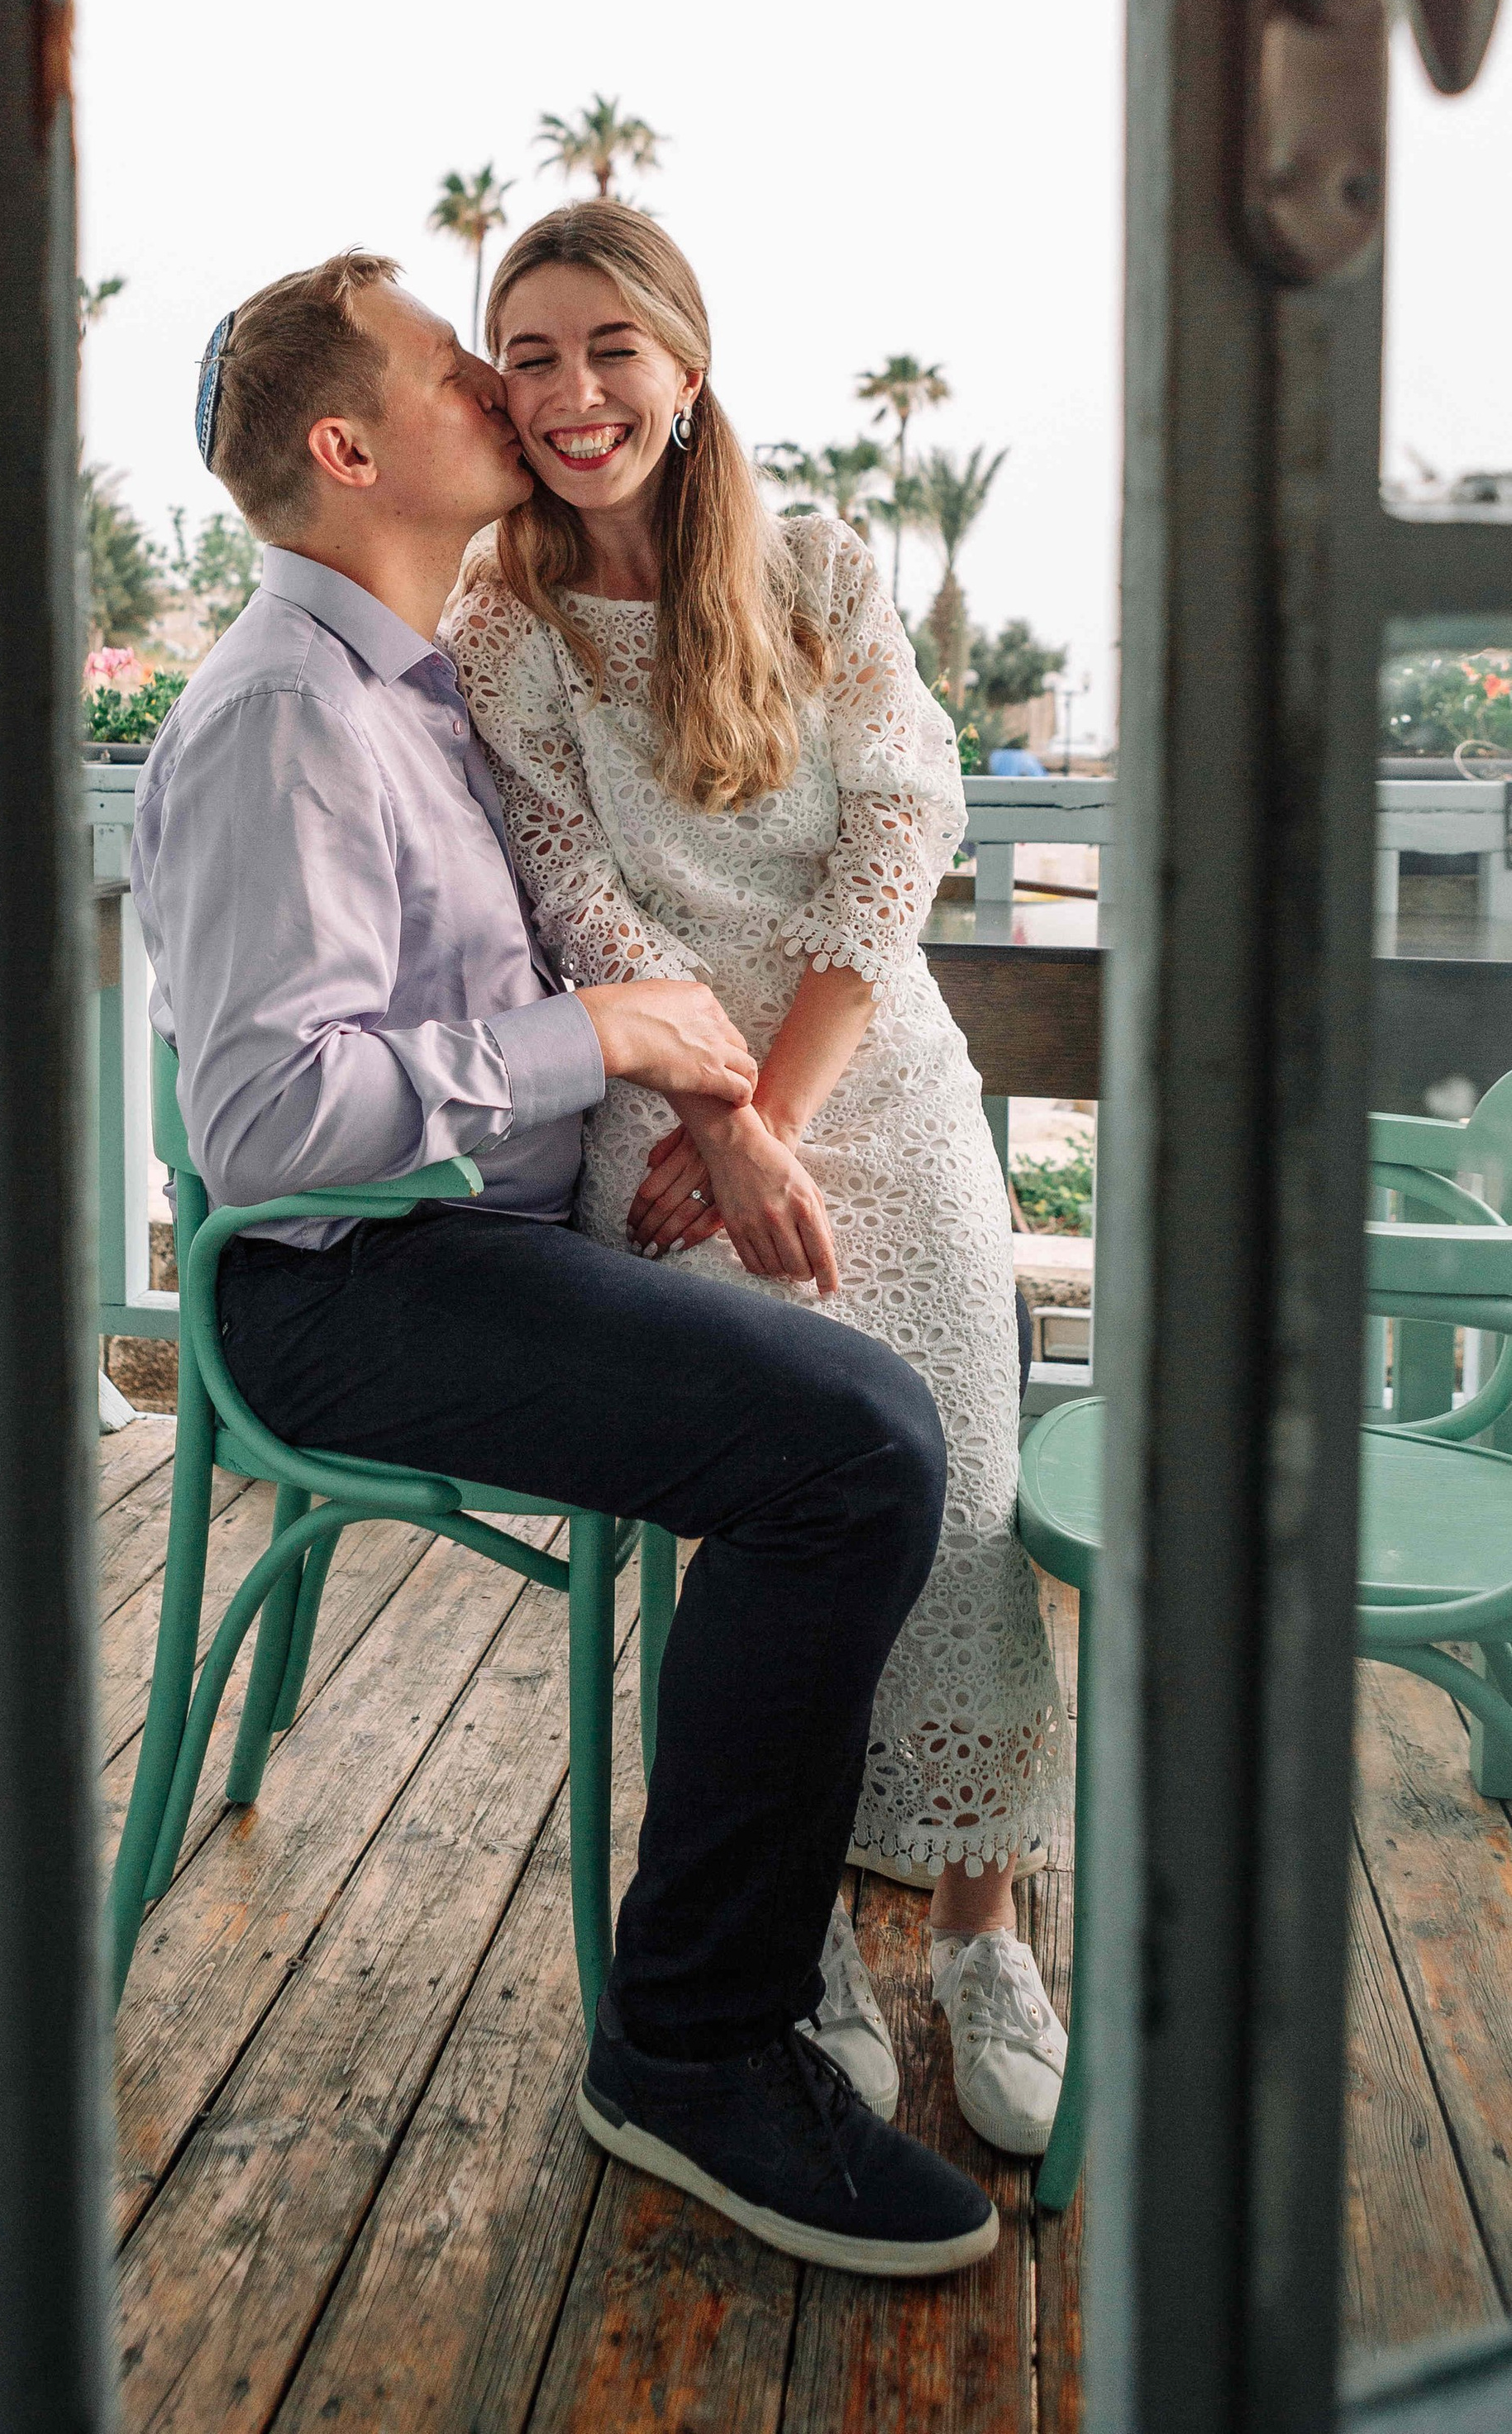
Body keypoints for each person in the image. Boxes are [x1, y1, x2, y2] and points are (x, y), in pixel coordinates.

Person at [131, 248, 999, 2277]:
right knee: (852, 1447)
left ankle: (823, 1955)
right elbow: (265, 1130)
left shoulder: (413, 683)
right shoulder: (283, 716)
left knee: (870, 1416)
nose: (502, 393)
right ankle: (695, 2042)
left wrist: (683, 1075)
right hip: (346, 1283)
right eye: (460, 367)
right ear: (351, 452)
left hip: (469, 1240)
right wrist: (596, 1038)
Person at [441, 203, 1067, 2156]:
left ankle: (979, 1920)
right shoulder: (502, 625)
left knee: (964, 1474)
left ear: (686, 369)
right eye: (527, 356)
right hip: (664, 1115)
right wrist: (716, 1126)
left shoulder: (816, 570)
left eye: (606, 348)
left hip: (870, 1080)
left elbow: (895, 839)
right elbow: (580, 898)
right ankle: (782, 1929)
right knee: (779, 1477)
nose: (570, 393)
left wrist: (772, 1118)